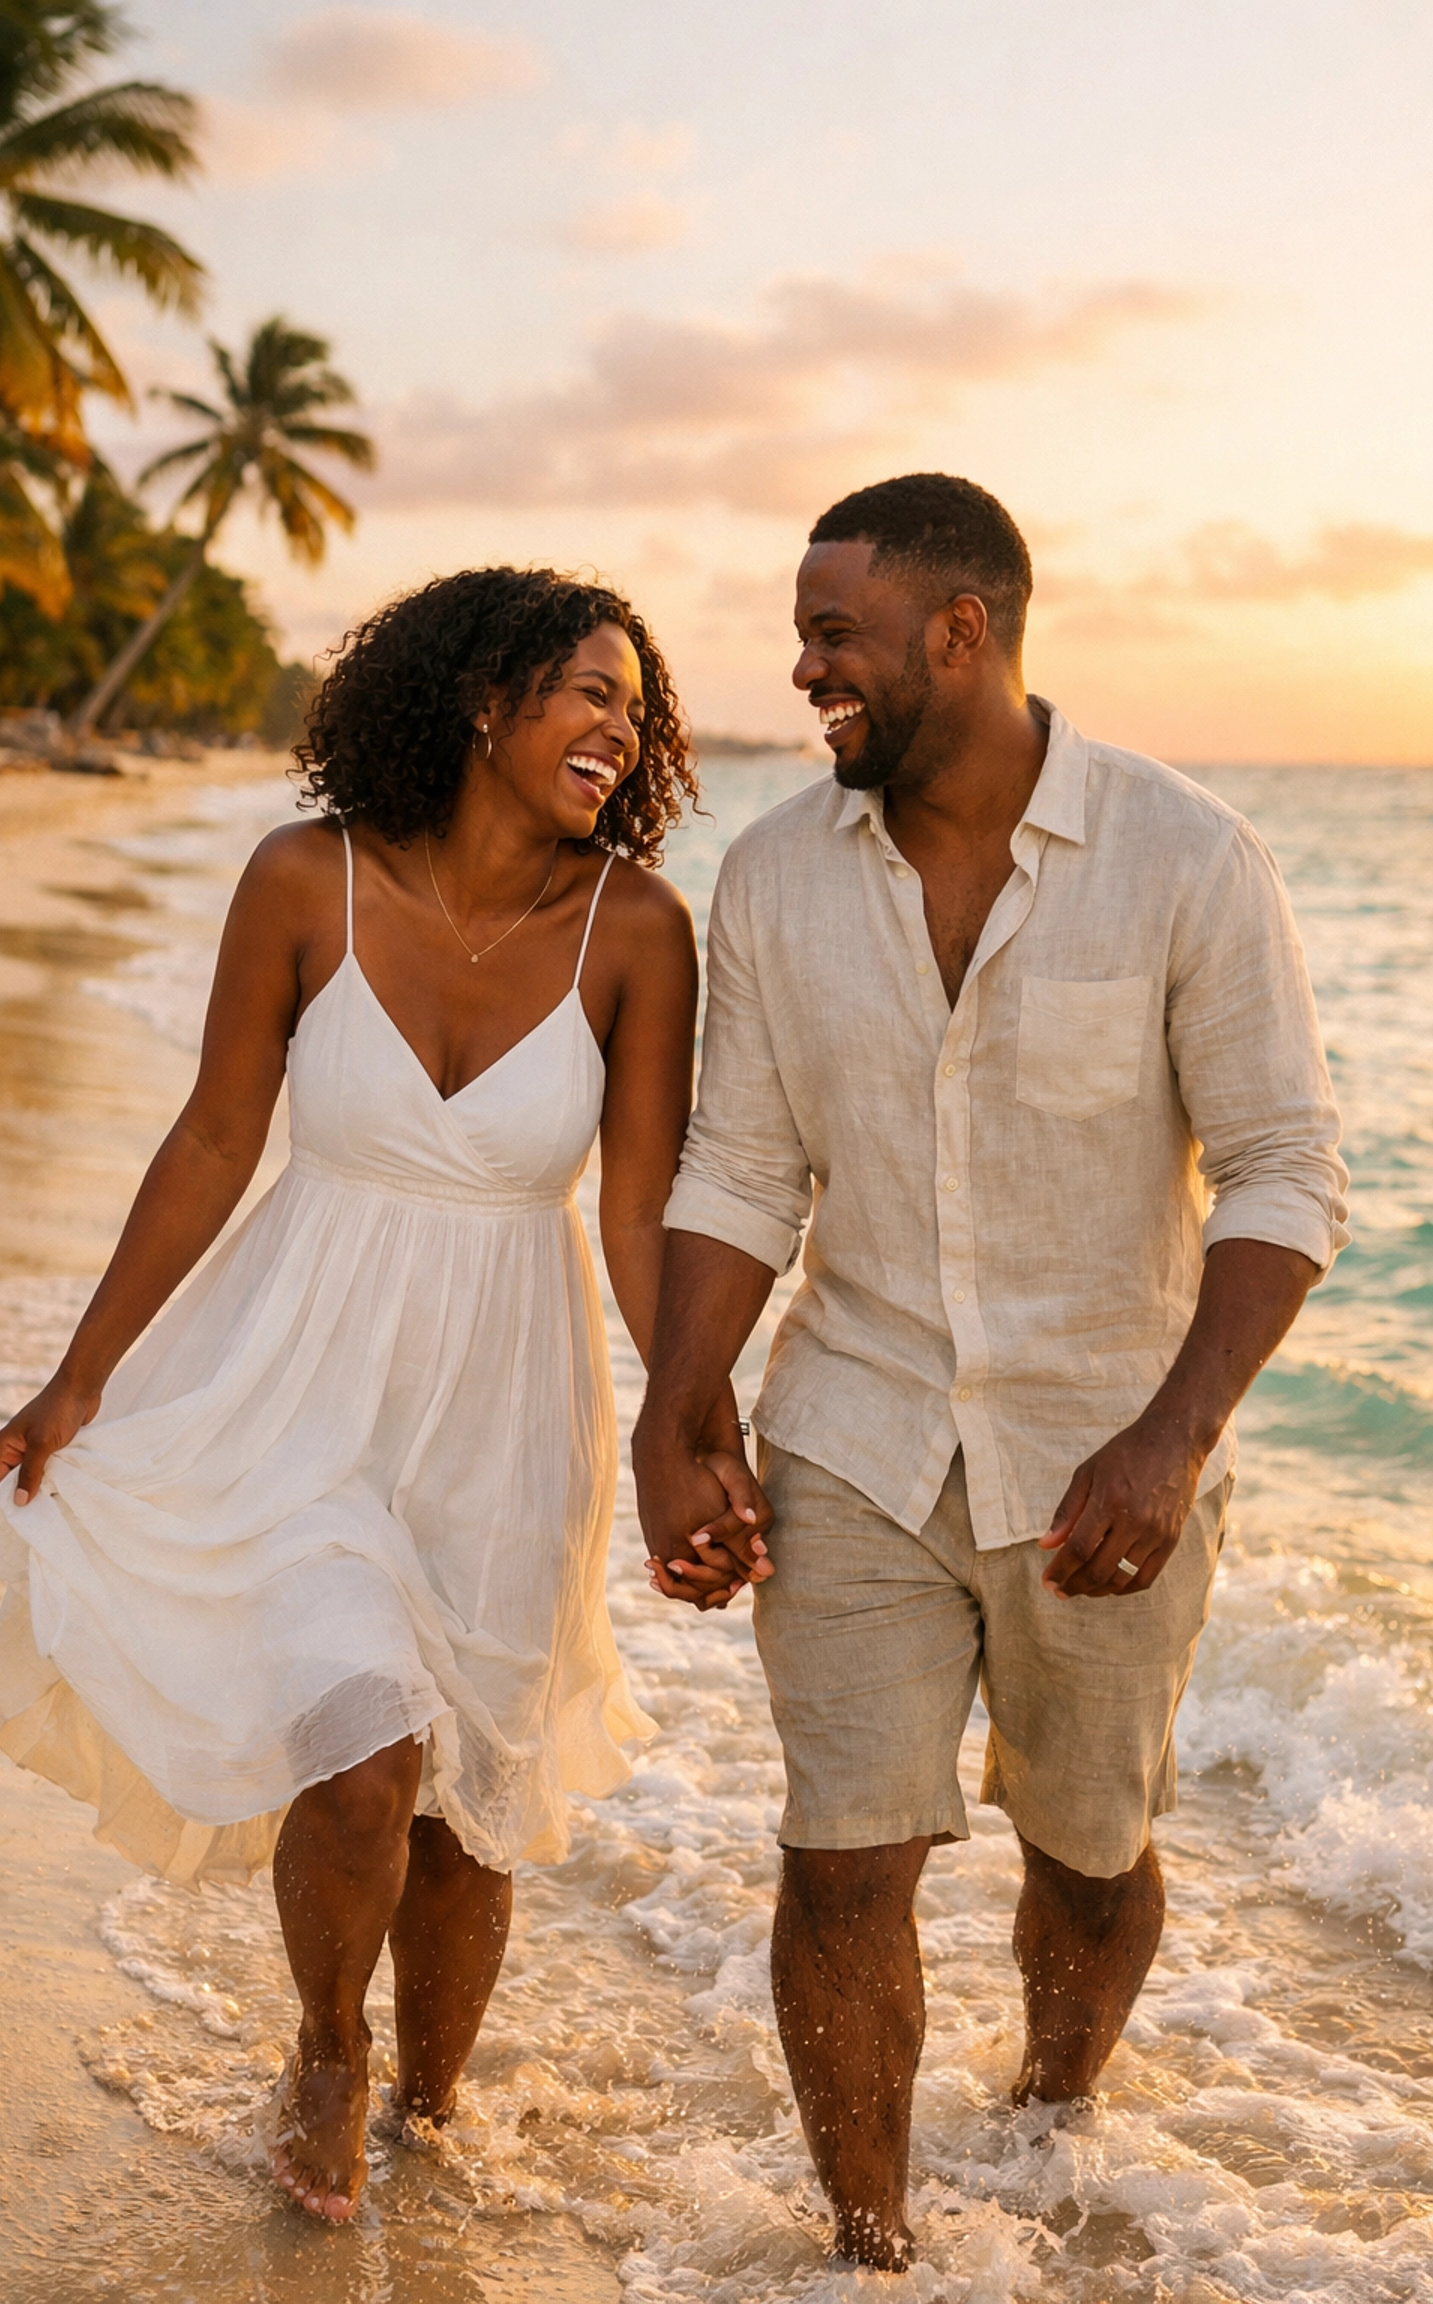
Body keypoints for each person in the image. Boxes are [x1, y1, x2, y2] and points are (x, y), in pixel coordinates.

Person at [0, 566, 768, 2226]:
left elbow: (638, 1213)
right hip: (304, 1374)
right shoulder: (302, 880)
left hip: (507, 1399)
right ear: (481, 702)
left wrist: (692, 1420)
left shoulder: (637, 929)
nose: (619, 732)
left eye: (636, 710)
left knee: (471, 1811)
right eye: (586, 693)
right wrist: (80, 1377)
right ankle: (330, 2053)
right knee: (361, 1762)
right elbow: (213, 1140)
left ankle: (438, 2101)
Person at [631, 475, 1349, 2270]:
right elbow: (737, 1169)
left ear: (963, 633)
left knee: (1087, 1853)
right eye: (806, 641)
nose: (807, 675)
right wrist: (674, 1411)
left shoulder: (1189, 861)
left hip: (1104, 1453)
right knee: (841, 1855)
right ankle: (872, 2250)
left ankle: (1045, 2119)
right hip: (855, 1429)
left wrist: (1173, 1438)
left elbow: (1285, 1169)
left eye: (835, 636)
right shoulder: (780, 877)